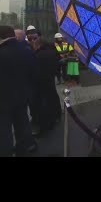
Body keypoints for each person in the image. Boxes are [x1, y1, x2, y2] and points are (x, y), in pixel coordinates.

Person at [0, 26, 37, 156]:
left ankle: (6, 152)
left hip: (3, 99)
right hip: (23, 95)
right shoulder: (26, 49)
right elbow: (33, 72)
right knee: (22, 123)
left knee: (4, 130)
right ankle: (26, 147)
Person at [32, 37, 62, 135]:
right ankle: (56, 117)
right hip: (50, 80)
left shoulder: (38, 55)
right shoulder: (52, 52)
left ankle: (44, 127)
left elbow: (35, 70)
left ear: (38, 45)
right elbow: (58, 64)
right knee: (52, 99)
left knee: (43, 106)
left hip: (40, 83)